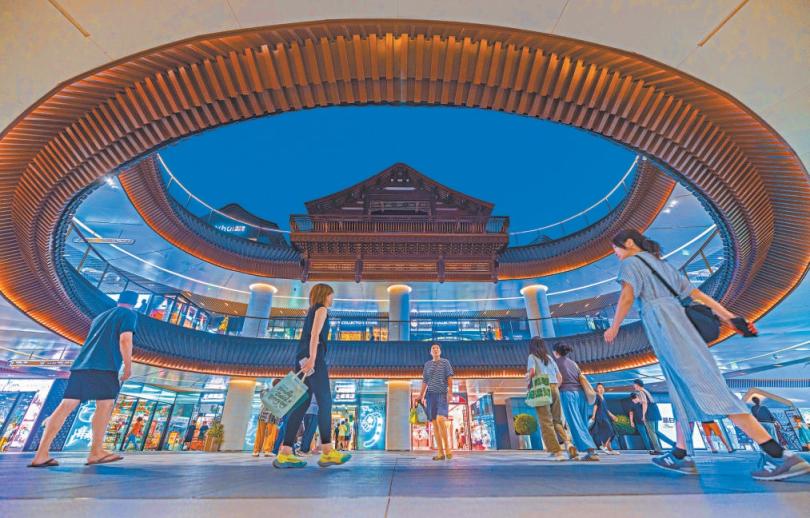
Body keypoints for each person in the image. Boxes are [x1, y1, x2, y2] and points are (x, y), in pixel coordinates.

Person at [604, 229, 810, 480]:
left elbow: (627, 295)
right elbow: (697, 295)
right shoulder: (661, 264)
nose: (616, 254)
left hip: (667, 327)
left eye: (616, 248)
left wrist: (614, 326)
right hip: (681, 326)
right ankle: (680, 454)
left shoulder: (632, 262)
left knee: (708, 387)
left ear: (628, 242)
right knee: (682, 389)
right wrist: (729, 318)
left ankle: (779, 455)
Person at [29, 290, 138, 467]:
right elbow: (125, 339)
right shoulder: (129, 314)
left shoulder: (100, 317)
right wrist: (128, 366)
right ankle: (96, 452)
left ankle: (41, 454)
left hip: (81, 366)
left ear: (119, 300)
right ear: (134, 303)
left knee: (65, 406)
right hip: (105, 366)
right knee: (105, 405)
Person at [274, 283, 351, 468]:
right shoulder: (321, 309)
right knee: (325, 401)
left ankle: (285, 452)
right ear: (325, 295)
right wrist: (313, 359)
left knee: (302, 405)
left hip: (303, 357)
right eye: (331, 295)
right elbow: (315, 335)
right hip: (312, 358)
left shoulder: (311, 311)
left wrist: (307, 359)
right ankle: (327, 452)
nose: (332, 298)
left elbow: (308, 335)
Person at [553, 343, 599, 461]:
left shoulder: (555, 363)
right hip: (581, 394)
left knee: (575, 423)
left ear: (556, 352)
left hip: (567, 394)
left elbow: (559, 380)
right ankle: (574, 449)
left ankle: (591, 451)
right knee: (582, 423)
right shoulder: (573, 363)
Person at [525, 337, 568, 461]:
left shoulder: (532, 357)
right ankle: (568, 443)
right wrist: (554, 387)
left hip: (542, 389)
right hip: (554, 388)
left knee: (546, 422)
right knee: (557, 421)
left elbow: (532, 372)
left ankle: (556, 451)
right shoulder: (549, 358)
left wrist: (527, 381)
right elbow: (560, 376)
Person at [418, 343, 455, 461]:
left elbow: (449, 377)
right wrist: (420, 395)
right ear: (430, 352)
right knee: (434, 424)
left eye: (437, 348)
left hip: (442, 395)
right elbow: (425, 381)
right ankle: (440, 453)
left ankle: (447, 448)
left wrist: (450, 392)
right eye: (433, 348)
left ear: (440, 351)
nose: (435, 349)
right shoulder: (427, 365)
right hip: (430, 396)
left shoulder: (445, 362)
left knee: (440, 419)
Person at [633, 379, 662, 454]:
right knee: (654, 431)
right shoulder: (645, 391)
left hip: (649, 413)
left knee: (651, 432)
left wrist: (643, 415)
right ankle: (658, 449)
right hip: (654, 412)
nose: (633, 386)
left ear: (637, 385)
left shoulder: (641, 392)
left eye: (634, 384)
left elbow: (645, 403)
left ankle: (658, 450)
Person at [591, 383, 619, 455]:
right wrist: (593, 416)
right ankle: (604, 446)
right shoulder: (597, 396)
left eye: (602, 387)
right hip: (600, 417)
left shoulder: (603, 398)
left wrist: (612, 416)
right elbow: (595, 406)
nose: (601, 389)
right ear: (597, 389)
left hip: (605, 417)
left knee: (613, 432)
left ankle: (609, 449)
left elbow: (606, 410)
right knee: (610, 431)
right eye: (599, 387)